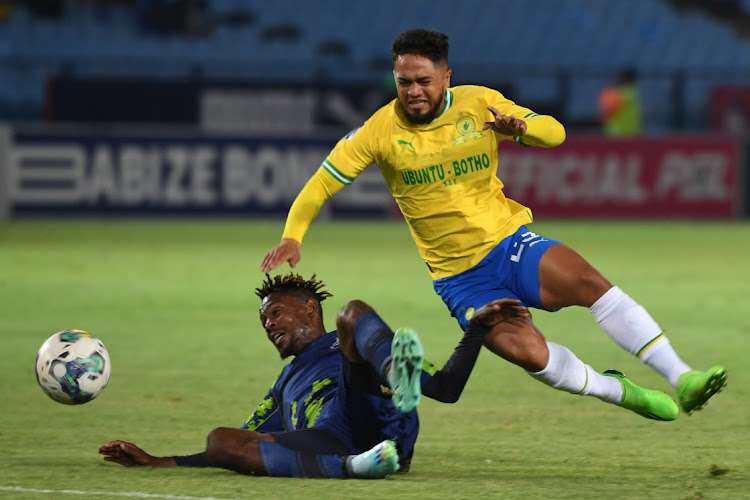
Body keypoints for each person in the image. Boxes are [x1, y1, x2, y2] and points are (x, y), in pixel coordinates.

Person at [260, 29, 726, 422]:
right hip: (459, 278)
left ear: (447, 76)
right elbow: (321, 184)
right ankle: (618, 391)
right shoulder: (379, 131)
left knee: (588, 282)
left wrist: (522, 128)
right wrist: (292, 236)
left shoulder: (480, 104)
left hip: (509, 241)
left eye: (424, 81)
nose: (414, 91)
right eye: (404, 82)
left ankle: (681, 376)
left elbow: (556, 132)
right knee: (531, 355)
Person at [100, 272, 529, 479]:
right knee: (220, 438)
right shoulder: (283, 385)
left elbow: (447, 390)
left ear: (309, 310)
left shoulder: (351, 342)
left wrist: (476, 328)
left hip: (370, 412)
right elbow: (236, 448)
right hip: (329, 442)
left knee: (353, 313)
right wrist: (162, 460)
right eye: (263, 321)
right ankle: (353, 467)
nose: (268, 325)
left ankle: (398, 381)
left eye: (275, 313)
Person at [597, 67, 643, 137]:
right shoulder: (633, 92)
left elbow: (608, 112)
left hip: (618, 133)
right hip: (631, 132)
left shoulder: (621, 93)